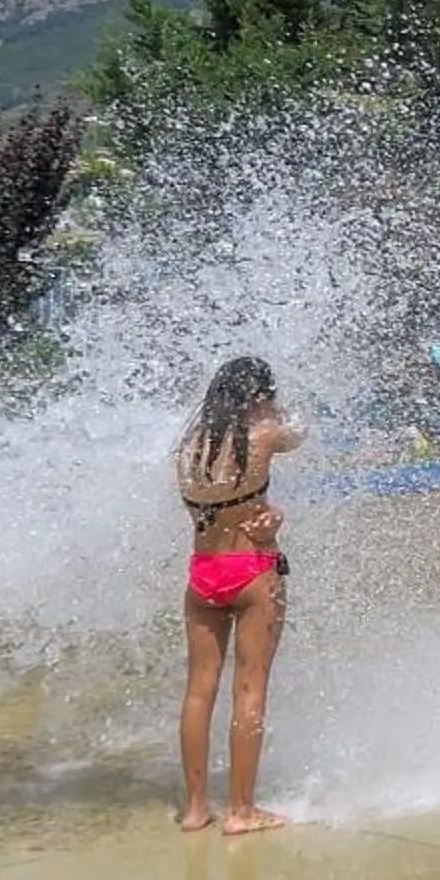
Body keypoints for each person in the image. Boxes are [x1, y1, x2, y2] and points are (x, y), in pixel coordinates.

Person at [176, 357, 306, 834]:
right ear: (258, 398)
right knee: (249, 691)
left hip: (203, 572)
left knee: (198, 692)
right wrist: (276, 408)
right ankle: (241, 811)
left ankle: (195, 809)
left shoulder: (189, 447)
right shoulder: (263, 436)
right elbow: (299, 432)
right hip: (252, 571)